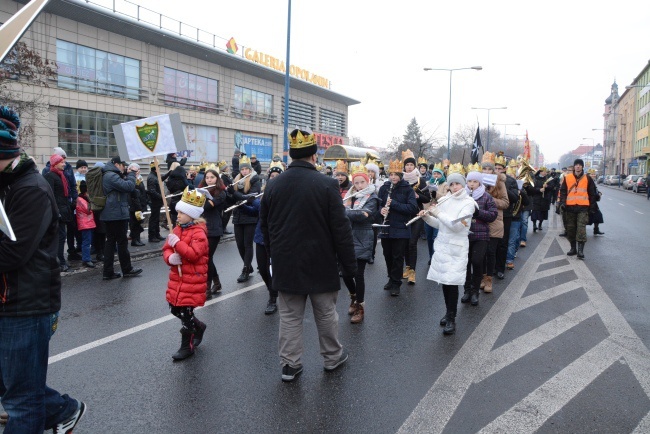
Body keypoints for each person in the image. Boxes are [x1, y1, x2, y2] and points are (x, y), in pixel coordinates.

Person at [0, 106, 87, 433]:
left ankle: (60, 410)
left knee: (21, 403)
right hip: (7, 300)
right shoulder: (6, 185)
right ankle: (65, 409)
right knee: (15, 389)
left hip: (25, 306)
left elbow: (10, 254)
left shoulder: (30, 189)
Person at [260, 128, 356, 382]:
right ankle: (332, 358)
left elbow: (265, 226)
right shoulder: (327, 184)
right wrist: (349, 266)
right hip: (321, 261)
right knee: (325, 314)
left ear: (292, 155)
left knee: (290, 316)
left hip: (285, 261)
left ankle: (290, 365)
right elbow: (341, 229)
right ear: (314, 155)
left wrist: (273, 256)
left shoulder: (273, 184)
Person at [420, 171, 476, 335]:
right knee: (444, 282)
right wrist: (426, 218)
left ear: (463, 184)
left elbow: (457, 226)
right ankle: (448, 312)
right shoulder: (445, 200)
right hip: (443, 246)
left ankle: (452, 318)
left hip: (457, 247)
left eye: (457, 183)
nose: (454, 187)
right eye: (451, 184)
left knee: (451, 283)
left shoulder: (469, 203)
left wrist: (437, 212)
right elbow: (439, 224)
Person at [164, 187, 209, 360]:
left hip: (192, 280)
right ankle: (199, 327)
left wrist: (179, 245)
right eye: (178, 212)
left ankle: (187, 347)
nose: (178, 215)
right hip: (178, 279)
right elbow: (167, 249)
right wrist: (170, 258)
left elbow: (193, 254)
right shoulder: (177, 229)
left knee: (185, 314)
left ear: (193, 215)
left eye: (182, 212)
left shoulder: (199, 233)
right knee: (175, 310)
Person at [342, 165, 380, 323]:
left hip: (364, 236)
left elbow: (363, 216)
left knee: (358, 274)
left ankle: (360, 307)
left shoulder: (373, 197)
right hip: (348, 236)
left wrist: (343, 211)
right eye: (356, 183)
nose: (358, 186)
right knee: (345, 273)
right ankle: (353, 297)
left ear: (367, 182)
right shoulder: (350, 196)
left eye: (361, 183)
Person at [377, 158, 418, 296]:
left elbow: (413, 208)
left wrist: (393, 204)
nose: (393, 177)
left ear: (400, 175)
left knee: (397, 256)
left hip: (401, 228)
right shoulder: (384, 188)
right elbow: (378, 204)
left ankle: (396, 283)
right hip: (386, 226)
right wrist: (381, 210)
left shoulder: (407, 189)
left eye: (396, 174)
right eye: (391, 174)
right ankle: (391, 278)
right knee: (387, 255)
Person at [101, 156, 143, 280]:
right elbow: (128, 186)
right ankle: (126, 269)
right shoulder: (110, 176)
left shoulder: (111, 174)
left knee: (112, 242)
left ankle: (109, 272)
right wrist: (132, 174)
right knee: (120, 242)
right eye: (123, 165)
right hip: (115, 214)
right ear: (116, 164)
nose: (124, 167)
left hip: (114, 213)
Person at [461, 169, 497, 306]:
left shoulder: (486, 197)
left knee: (477, 262)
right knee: (466, 263)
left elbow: (493, 215)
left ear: (479, 183)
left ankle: (475, 291)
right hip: (464, 234)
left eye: (475, 181)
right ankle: (467, 290)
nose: (472, 184)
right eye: (469, 181)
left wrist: (478, 212)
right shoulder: (462, 195)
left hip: (481, 235)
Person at [253, 161, 284, 314]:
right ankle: (272, 292)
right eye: (272, 176)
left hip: (279, 236)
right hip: (261, 235)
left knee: (276, 268)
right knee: (263, 269)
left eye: (277, 176)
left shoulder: (286, 194)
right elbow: (256, 212)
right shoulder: (263, 194)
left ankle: (274, 297)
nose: (274, 178)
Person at [42, 147, 81, 262]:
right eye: (62, 162)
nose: (64, 164)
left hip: (65, 209)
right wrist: (56, 211)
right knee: (60, 236)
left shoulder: (62, 175)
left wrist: (74, 201)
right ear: (55, 163)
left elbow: (70, 188)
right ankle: (59, 261)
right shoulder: (49, 175)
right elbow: (50, 195)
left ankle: (62, 259)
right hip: (58, 211)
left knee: (65, 235)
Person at [228, 154, 261, 283]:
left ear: (250, 169)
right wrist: (228, 193)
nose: (244, 171)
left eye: (246, 169)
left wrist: (235, 193)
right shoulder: (236, 180)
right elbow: (233, 200)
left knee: (247, 245)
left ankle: (245, 270)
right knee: (239, 244)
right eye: (242, 169)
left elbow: (250, 198)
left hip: (250, 215)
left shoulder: (255, 180)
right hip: (237, 215)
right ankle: (249, 266)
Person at [480, 155, 509, 293]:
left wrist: (490, 199)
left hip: (494, 221)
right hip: (479, 221)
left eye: (489, 169)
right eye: (484, 169)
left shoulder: (500, 183)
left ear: (493, 171)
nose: (486, 171)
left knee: (491, 252)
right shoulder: (477, 181)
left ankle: (489, 279)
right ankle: (482, 276)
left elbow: (505, 203)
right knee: (481, 253)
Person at [401, 150, 431, 285]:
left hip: (417, 215)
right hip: (403, 215)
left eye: (411, 165)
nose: (409, 167)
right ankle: (407, 267)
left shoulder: (421, 180)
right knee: (405, 243)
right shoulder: (400, 180)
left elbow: (427, 198)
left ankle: (413, 271)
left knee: (412, 243)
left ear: (415, 167)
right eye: (407, 165)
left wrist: (418, 196)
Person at [559, 159, 598, 259]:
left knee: (581, 229)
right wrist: (563, 202)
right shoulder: (567, 178)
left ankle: (580, 251)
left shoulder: (588, 179)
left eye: (580, 165)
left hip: (583, 208)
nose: (578, 166)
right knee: (571, 229)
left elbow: (592, 194)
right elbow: (563, 191)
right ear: (574, 166)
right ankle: (573, 248)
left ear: (582, 167)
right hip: (570, 207)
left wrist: (592, 207)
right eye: (576, 165)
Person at [199, 168, 227, 299]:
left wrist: (197, 200)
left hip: (214, 228)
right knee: (207, 258)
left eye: (212, 177)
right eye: (207, 177)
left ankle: (207, 288)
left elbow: (207, 207)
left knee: (207, 258)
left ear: (217, 178)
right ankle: (217, 283)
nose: (209, 179)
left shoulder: (221, 193)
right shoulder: (201, 191)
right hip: (202, 227)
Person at [494, 154, 519, 279]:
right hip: (492, 214)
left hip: (506, 215)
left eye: (500, 169)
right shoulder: (488, 178)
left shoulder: (511, 181)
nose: (498, 171)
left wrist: (503, 186)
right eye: (496, 168)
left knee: (503, 242)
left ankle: (500, 268)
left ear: (504, 169)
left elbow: (515, 198)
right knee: (492, 242)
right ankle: (491, 268)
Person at [424, 165, 449, 265]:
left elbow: (446, 198)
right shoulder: (428, 183)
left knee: (436, 237)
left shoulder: (445, 184)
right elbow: (424, 198)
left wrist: (436, 194)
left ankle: (436, 258)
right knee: (429, 238)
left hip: (438, 215)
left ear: (442, 174)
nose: (436, 175)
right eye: (434, 173)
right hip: (428, 213)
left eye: (438, 173)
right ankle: (431, 256)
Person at [76, 181, 97, 268]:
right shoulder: (81, 199)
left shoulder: (84, 198)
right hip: (85, 223)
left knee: (88, 241)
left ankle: (87, 257)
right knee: (86, 242)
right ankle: (86, 259)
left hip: (89, 223)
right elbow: (88, 210)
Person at [164, 161, 189, 227]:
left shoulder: (170, 177)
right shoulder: (181, 180)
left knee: (175, 218)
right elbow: (189, 187)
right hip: (180, 200)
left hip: (172, 199)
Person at [527, 166, 552, 232]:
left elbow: (551, 188)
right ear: (540, 172)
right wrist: (539, 190)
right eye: (543, 172)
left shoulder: (547, 179)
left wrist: (547, 187)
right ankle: (534, 225)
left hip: (544, 199)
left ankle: (540, 224)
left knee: (543, 213)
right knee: (535, 213)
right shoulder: (535, 179)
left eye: (545, 172)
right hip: (536, 198)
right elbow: (531, 188)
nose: (545, 173)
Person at [128, 163, 146, 247]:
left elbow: (142, 191)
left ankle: (138, 239)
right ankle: (134, 240)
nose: (137, 171)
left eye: (138, 170)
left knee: (138, 223)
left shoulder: (140, 179)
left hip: (139, 204)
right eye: (135, 170)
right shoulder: (130, 179)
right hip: (133, 205)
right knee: (134, 223)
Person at [147, 161, 164, 242]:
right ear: (155, 169)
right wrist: (161, 197)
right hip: (154, 202)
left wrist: (170, 173)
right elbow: (152, 191)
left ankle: (157, 234)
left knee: (156, 219)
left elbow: (161, 179)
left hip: (157, 202)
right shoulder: (152, 178)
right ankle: (152, 236)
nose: (160, 169)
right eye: (159, 167)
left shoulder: (155, 176)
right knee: (154, 219)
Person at [587, 170, 605, 235]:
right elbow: (591, 193)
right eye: (591, 174)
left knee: (598, 216)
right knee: (584, 217)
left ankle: (596, 230)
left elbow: (595, 190)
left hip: (593, 203)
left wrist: (598, 192)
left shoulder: (592, 182)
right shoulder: (587, 182)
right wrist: (598, 195)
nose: (593, 175)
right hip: (587, 202)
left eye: (594, 174)